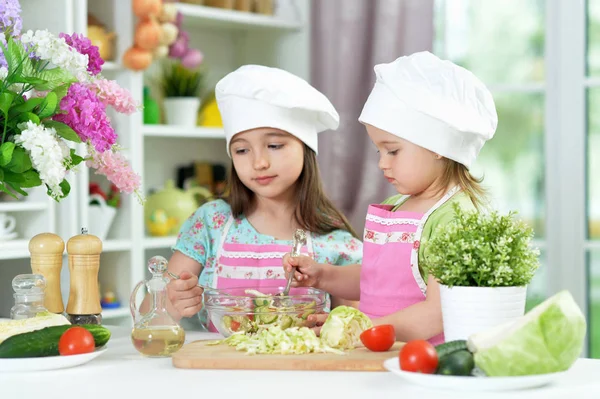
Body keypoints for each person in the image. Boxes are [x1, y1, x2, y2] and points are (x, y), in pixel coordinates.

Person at [284, 51, 498, 344]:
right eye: (378, 151)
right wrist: (322, 276)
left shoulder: (457, 218)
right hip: (379, 353)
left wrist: (361, 329)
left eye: (393, 150)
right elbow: (374, 281)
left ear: (437, 144)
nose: (382, 163)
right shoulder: (398, 206)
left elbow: (437, 313)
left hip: (422, 364)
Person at [165, 65, 363, 331]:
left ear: (306, 149)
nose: (259, 162)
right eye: (242, 149)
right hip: (217, 368)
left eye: (274, 146)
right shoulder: (210, 222)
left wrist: (334, 325)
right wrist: (171, 302)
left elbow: (350, 329)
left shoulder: (334, 240)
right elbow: (149, 317)